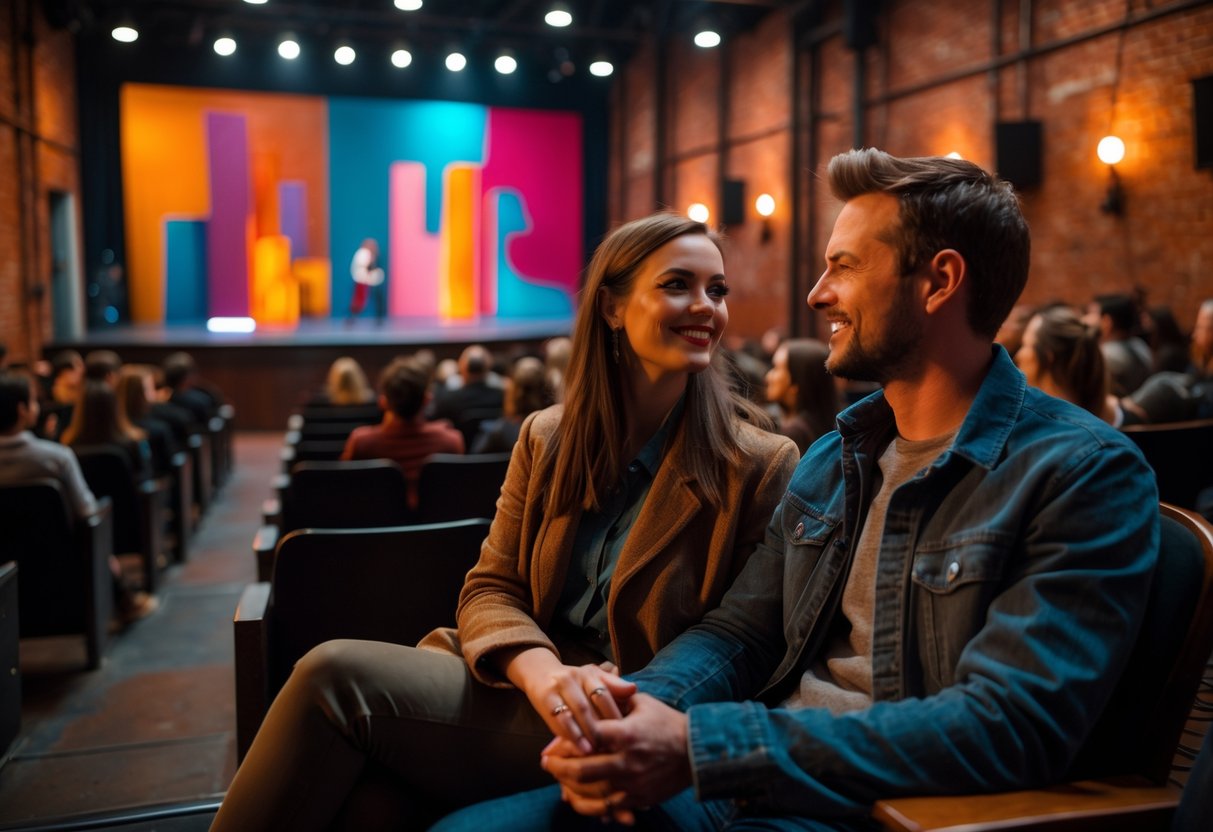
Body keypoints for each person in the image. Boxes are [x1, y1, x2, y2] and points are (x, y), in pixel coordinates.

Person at [434, 149, 1160, 831]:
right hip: (746, 777)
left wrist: (701, 745)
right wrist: (630, 714)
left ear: (937, 282)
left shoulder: (1081, 470)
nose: (816, 294)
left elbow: (1008, 728)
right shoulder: (832, 457)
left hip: (874, 811)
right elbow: (739, 633)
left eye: (841, 267)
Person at [209, 211, 799, 831]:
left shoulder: (757, 463)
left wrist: (612, 697)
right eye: (677, 284)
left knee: (332, 676)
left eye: (717, 289)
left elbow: (739, 643)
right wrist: (542, 672)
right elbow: (492, 588)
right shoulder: (546, 438)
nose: (706, 306)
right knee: (366, 801)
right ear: (611, 309)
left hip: (630, 715)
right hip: (520, 685)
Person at [0, 370, 157, 625]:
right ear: (22, 410)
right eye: (32, 400)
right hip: (60, 565)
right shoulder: (56, 458)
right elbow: (87, 511)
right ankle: (124, 600)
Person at [340, 354, 466, 510]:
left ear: (383, 402)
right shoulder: (452, 441)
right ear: (427, 400)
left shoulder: (361, 443)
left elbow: (344, 487)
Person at [1014, 306, 1127, 426]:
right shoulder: (1115, 411)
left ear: (1048, 356)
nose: (1017, 355)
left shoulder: (1032, 424)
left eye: (1025, 345)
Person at [765, 338, 838, 453]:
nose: (768, 376)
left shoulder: (794, 435)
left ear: (796, 383)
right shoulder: (824, 429)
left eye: (776, 368)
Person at [472, 356, 554, 454]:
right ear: (547, 388)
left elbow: (474, 461)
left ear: (514, 391)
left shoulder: (498, 432)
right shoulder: (557, 430)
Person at [1086, 293, 1152, 396]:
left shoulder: (1107, 355)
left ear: (1107, 322)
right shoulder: (1139, 344)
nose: (1088, 318)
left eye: (1093, 314)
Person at [348, 237, 386, 324]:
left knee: (371, 299)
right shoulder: (364, 253)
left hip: (365, 280)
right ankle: (351, 318)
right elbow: (366, 267)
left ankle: (378, 318)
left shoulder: (364, 253)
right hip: (362, 280)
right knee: (359, 300)